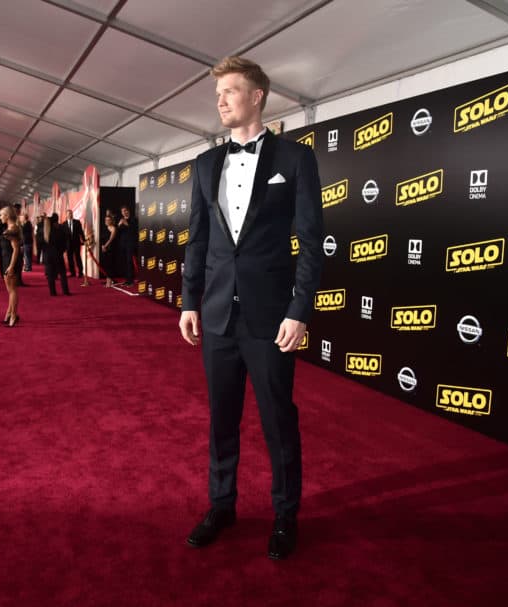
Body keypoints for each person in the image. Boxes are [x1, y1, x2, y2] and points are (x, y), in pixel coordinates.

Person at [179, 56, 324, 561]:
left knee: (278, 419)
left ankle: (286, 514)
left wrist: (299, 309)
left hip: (270, 317)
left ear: (257, 95)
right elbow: (196, 240)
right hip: (216, 314)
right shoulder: (204, 164)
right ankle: (222, 504)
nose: (220, 100)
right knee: (222, 419)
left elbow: (310, 241)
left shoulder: (295, 158)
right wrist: (188, 301)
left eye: (230, 91)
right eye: (217, 93)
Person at [0, 205, 21, 326]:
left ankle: (13, 315)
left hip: (11, 262)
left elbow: (16, 249)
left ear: (7, 216)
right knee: (10, 290)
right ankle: (9, 313)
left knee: (12, 291)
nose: (0, 217)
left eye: (1, 215)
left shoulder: (12, 229)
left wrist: (11, 266)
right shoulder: (10, 228)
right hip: (6, 260)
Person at [42, 213, 70, 296]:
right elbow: (64, 242)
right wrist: (62, 251)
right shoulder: (60, 230)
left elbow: (40, 244)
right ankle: (65, 291)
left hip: (48, 256)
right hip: (58, 255)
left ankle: (52, 292)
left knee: (50, 274)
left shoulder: (44, 231)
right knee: (62, 273)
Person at [116, 205, 137, 286]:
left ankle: (131, 280)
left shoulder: (133, 219)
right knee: (124, 262)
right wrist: (118, 225)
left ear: (128, 211)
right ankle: (126, 280)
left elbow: (134, 231)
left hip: (130, 244)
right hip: (123, 244)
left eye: (125, 210)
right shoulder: (121, 220)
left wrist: (127, 224)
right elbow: (117, 232)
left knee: (129, 262)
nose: (124, 212)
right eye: (122, 211)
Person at [64, 210, 84, 278]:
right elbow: (63, 235)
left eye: (70, 213)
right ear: (66, 215)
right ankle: (72, 272)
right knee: (70, 259)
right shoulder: (64, 224)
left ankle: (80, 272)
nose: (69, 215)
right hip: (68, 245)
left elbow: (81, 232)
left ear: (72, 214)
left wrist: (83, 240)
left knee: (78, 258)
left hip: (76, 243)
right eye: (68, 214)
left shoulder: (77, 222)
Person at [99, 213, 118, 288]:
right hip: (104, 249)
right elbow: (102, 239)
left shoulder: (113, 228)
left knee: (110, 265)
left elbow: (111, 239)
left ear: (111, 221)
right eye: (106, 220)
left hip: (111, 248)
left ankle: (109, 282)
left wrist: (105, 246)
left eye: (108, 220)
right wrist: (102, 246)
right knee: (106, 265)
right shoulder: (104, 228)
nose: (106, 221)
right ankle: (108, 280)